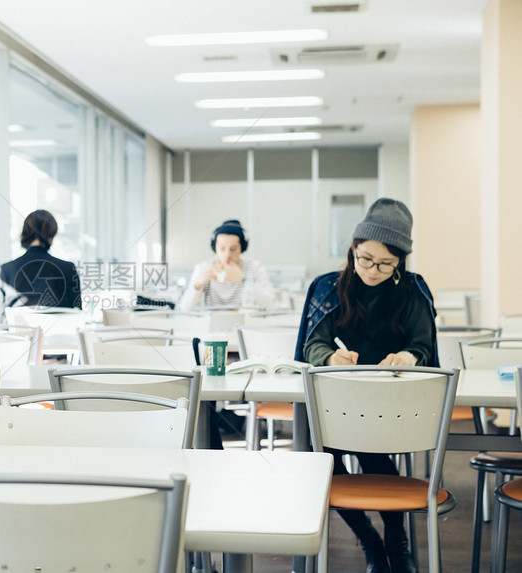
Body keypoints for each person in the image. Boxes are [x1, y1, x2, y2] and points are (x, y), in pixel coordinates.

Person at [295, 198, 438, 573]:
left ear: (399, 262)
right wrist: (329, 357)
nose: (372, 270)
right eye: (364, 259)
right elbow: (312, 344)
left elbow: (424, 347)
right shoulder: (329, 287)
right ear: (353, 250)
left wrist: (409, 357)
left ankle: (394, 538)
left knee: (374, 454)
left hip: (395, 405)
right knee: (324, 460)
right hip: (336, 401)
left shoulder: (411, 290)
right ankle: (372, 540)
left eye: (385, 263)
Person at [0, 209, 82, 317]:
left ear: (25, 234)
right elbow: (78, 313)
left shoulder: (7, 270)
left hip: (19, 333)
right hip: (58, 333)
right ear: (51, 236)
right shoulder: (68, 269)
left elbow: (2, 318)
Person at [179, 219, 275, 310]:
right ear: (215, 247)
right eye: (222, 248)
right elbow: (185, 308)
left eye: (233, 249)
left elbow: (271, 306)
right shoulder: (204, 267)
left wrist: (243, 280)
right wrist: (198, 284)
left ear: (242, 248)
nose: (227, 255)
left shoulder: (255, 267)